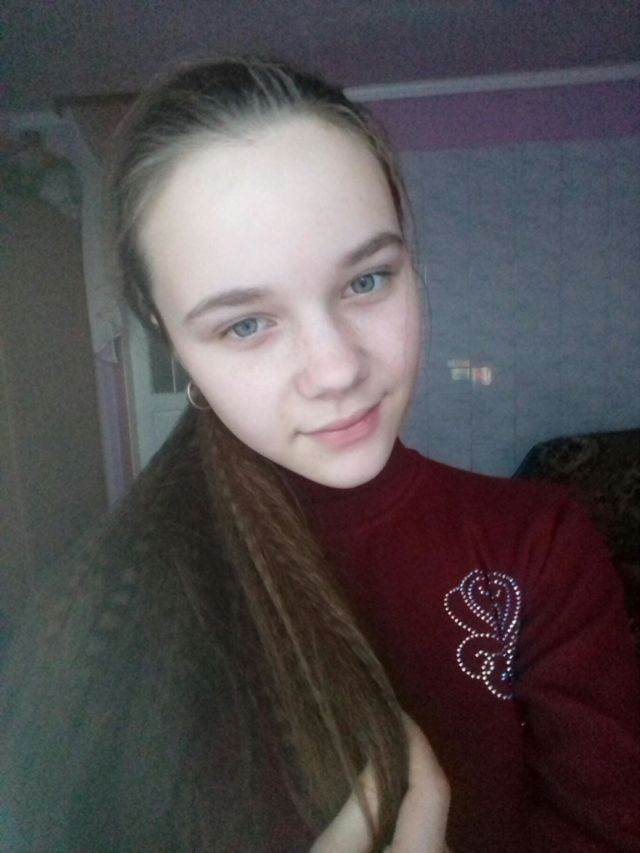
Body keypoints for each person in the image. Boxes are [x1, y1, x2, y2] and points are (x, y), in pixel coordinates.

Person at [1, 57, 638, 853]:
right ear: (171, 340)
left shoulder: (540, 543)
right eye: (245, 324)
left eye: (367, 280)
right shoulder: (100, 618)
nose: (337, 370)